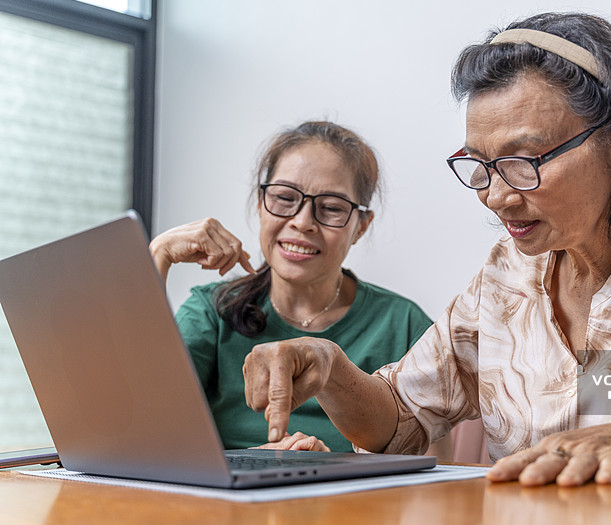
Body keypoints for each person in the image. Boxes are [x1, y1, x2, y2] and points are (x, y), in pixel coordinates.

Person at [241, 13, 611, 485]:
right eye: (480, 167)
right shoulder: (507, 275)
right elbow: (400, 420)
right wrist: (332, 367)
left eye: (525, 161)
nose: (498, 196)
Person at [149, 121, 441, 454]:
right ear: (260, 203)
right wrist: (158, 256)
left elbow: (434, 464)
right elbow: (142, 426)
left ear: (361, 227)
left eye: (330, 208)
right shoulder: (212, 311)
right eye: (285, 198)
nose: (302, 222)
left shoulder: (403, 324)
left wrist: (335, 471)